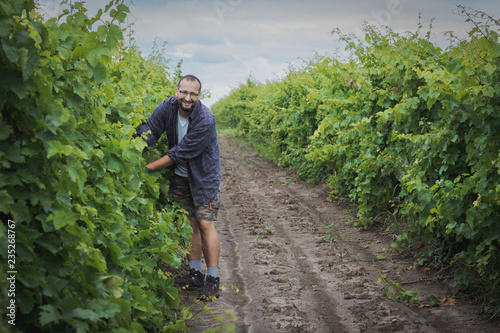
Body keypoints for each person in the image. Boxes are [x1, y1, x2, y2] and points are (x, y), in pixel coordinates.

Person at [136, 74, 221, 300]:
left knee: (205, 224)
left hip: (203, 178)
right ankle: (195, 275)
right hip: (181, 178)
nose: (187, 97)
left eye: (193, 93)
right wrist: (139, 143)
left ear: (199, 96)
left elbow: (178, 154)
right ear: (176, 92)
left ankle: (213, 279)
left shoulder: (205, 119)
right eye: (183, 91)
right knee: (190, 224)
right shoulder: (168, 107)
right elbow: (151, 128)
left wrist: (146, 167)